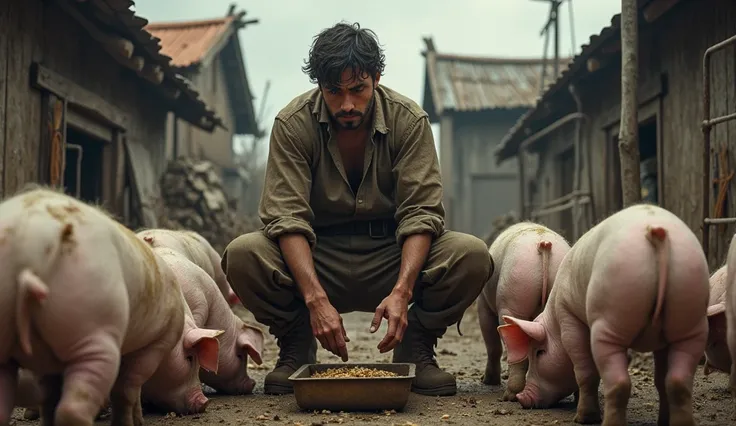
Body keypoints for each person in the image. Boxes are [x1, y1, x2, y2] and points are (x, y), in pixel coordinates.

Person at [221, 21, 493, 397]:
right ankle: (296, 346)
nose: (347, 104)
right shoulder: (292, 123)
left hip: (391, 256)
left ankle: (415, 348)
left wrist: (401, 291)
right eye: (334, 91)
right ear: (319, 84)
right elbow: (287, 219)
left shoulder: (408, 120)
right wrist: (315, 301)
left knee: (471, 255)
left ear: (376, 78)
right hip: (317, 259)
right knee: (243, 254)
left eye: (358, 90)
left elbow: (421, 213)